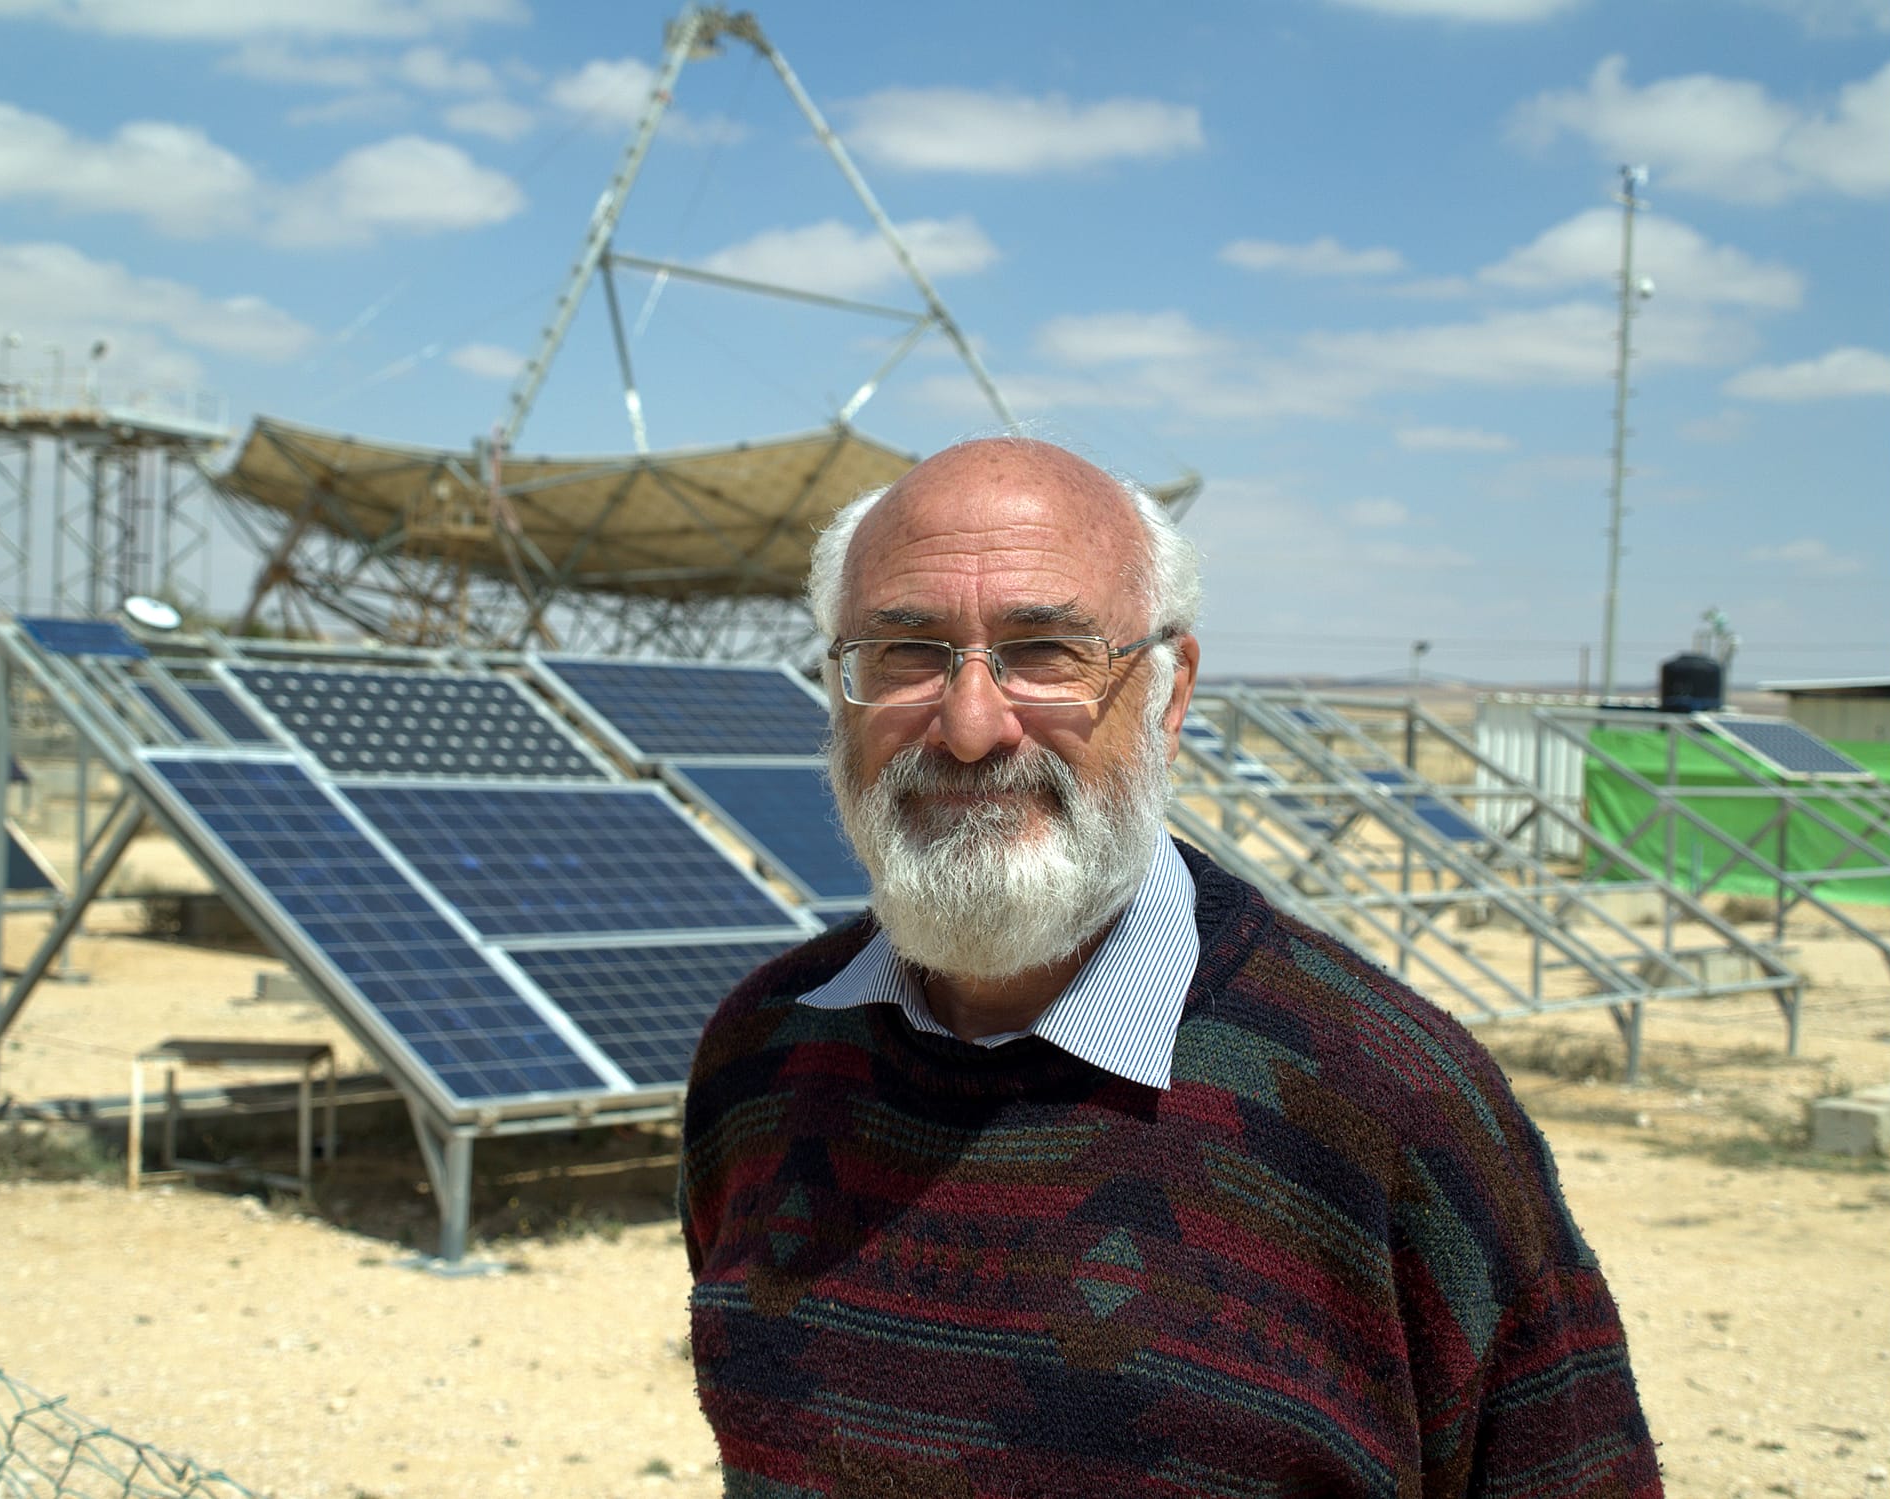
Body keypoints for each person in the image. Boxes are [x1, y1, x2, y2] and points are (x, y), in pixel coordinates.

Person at [679, 436, 1662, 1498]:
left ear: (1169, 690)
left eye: (1046, 650)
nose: (969, 725)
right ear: (839, 690)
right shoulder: (762, 1053)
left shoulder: (1392, 1104)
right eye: (904, 651)